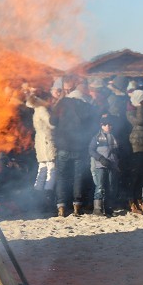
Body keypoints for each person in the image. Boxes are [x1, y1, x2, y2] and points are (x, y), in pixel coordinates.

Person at [50, 79, 94, 217]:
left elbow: (52, 121)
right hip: (79, 147)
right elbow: (91, 127)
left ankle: (61, 207)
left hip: (63, 146)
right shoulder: (86, 105)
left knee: (62, 177)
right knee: (78, 177)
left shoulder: (62, 103)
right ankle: (77, 205)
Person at [126, 89, 143, 214]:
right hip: (135, 147)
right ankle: (131, 202)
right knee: (134, 176)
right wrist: (139, 108)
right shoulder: (130, 112)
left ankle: (139, 201)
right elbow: (140, 122)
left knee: (142, 176)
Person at [88, 115, 120, 216]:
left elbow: (118, 151)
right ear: (102, 125)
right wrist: (101, 159)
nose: (109, 126)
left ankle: (109, 208)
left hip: (112, 164)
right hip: (100, 165)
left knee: (111, 187)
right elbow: (91, 150)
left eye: (110, 125)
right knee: (100, 186)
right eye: (106, 125)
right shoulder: (97, 137)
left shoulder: (114, 137)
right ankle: (97, 209)